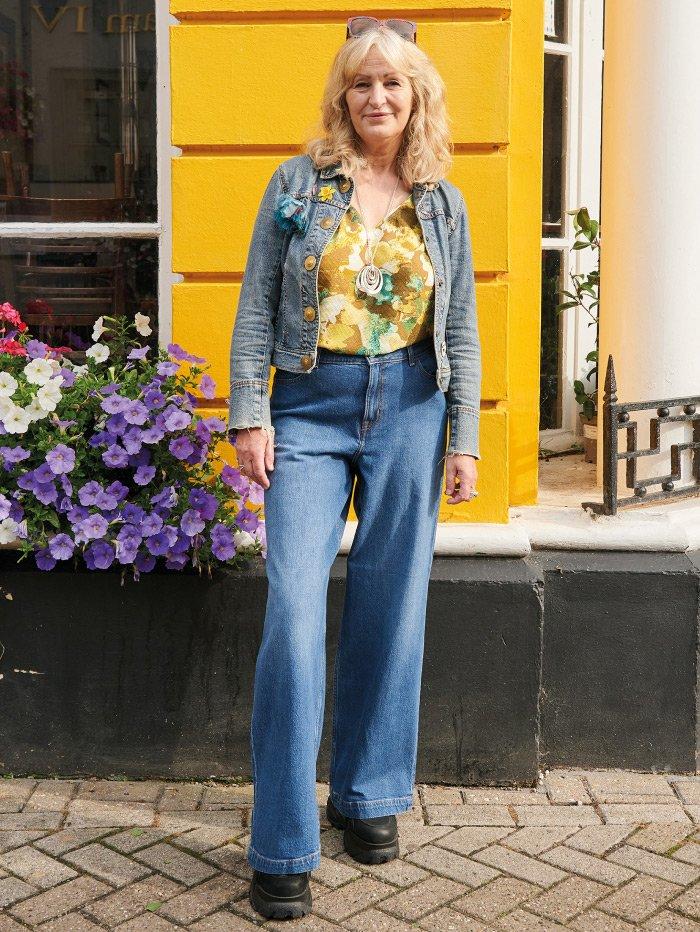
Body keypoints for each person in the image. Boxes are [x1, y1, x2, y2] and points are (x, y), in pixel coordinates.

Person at [227, 15, 482, 920]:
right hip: (309, 403)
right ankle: (283, 841)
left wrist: (463, 438)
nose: (378, 97)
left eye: (394, 84)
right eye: (363, 83)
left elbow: (460, 330)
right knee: (294, 611)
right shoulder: (299, 184)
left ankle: (369, 795)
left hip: (412, 405)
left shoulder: (440, 198)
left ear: (417, 99)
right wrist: (249, 416)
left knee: (391, 602)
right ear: (343, 94)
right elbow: (257, 303)